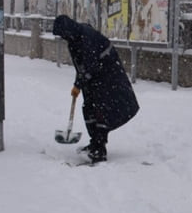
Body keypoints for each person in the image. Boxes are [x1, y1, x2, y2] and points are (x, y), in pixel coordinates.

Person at [51, 14, 139, 163]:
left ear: (68, 30)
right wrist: (77, 83)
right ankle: (95, 143)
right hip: (95, 77)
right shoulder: (74, 39)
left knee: (101, 110)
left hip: (107, 77)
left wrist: (79, 84)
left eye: (63, 34)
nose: (63, 38)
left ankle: (99, 150)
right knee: (89, 107)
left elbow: (91, 65)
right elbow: (82, 67)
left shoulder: (86, 37)